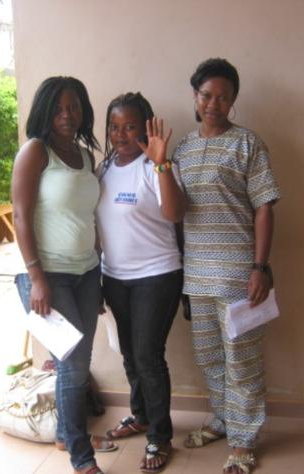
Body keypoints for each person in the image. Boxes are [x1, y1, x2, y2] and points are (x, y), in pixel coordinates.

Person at [172, 58, 281, 474]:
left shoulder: (247, 144)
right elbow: (175, 213)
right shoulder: (182, 149)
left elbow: (265, 206)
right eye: (206, 95)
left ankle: (243, 441)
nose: (213, 104)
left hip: (238, 275)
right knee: (209, 357)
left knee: (242, 360)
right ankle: (222, 420)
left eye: (223, 97)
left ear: (233, 100)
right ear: (195, 96)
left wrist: (260, 266)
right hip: (196, 276)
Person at [11, 76, 115, 474]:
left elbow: (89, 216)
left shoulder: (85, 156)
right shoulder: (35, 152)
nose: (66, 115)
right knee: (72, 365)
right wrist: (36, 277)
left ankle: (65, 434)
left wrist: (99, 267)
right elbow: (20, 215)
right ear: (45, 112)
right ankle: (81, 457)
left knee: (76, 360)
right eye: (57, 108)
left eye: (73, 107)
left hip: (87, 273)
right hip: (49, 276)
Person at [95, 93, 186, 473]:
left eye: (130, 126)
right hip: (115, 277)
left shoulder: (156, 167)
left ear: (146, 128)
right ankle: (142, 416)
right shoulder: (103, 169)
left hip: (157, 275)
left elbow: (175, 213)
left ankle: (160, 437)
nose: (120, 134)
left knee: (148, 355)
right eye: (114, 127)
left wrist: (162, 164)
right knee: (130, 354)